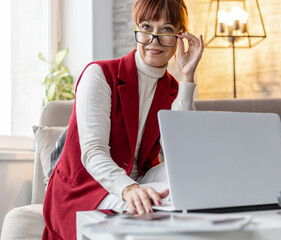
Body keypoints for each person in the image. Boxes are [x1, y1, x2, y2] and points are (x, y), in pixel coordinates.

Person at [42, 0, 204, 239]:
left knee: (191, 179)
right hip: (85, 187)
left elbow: (182, 155)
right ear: (136, 29)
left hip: (138, 178)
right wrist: (128, 188)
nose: (154, 39)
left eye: (167, 29)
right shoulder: (99, 74)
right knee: (164, 205)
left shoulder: (173, 89)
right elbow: (93, 151)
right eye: (147, 27)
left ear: (180, 36)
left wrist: (187, 76)